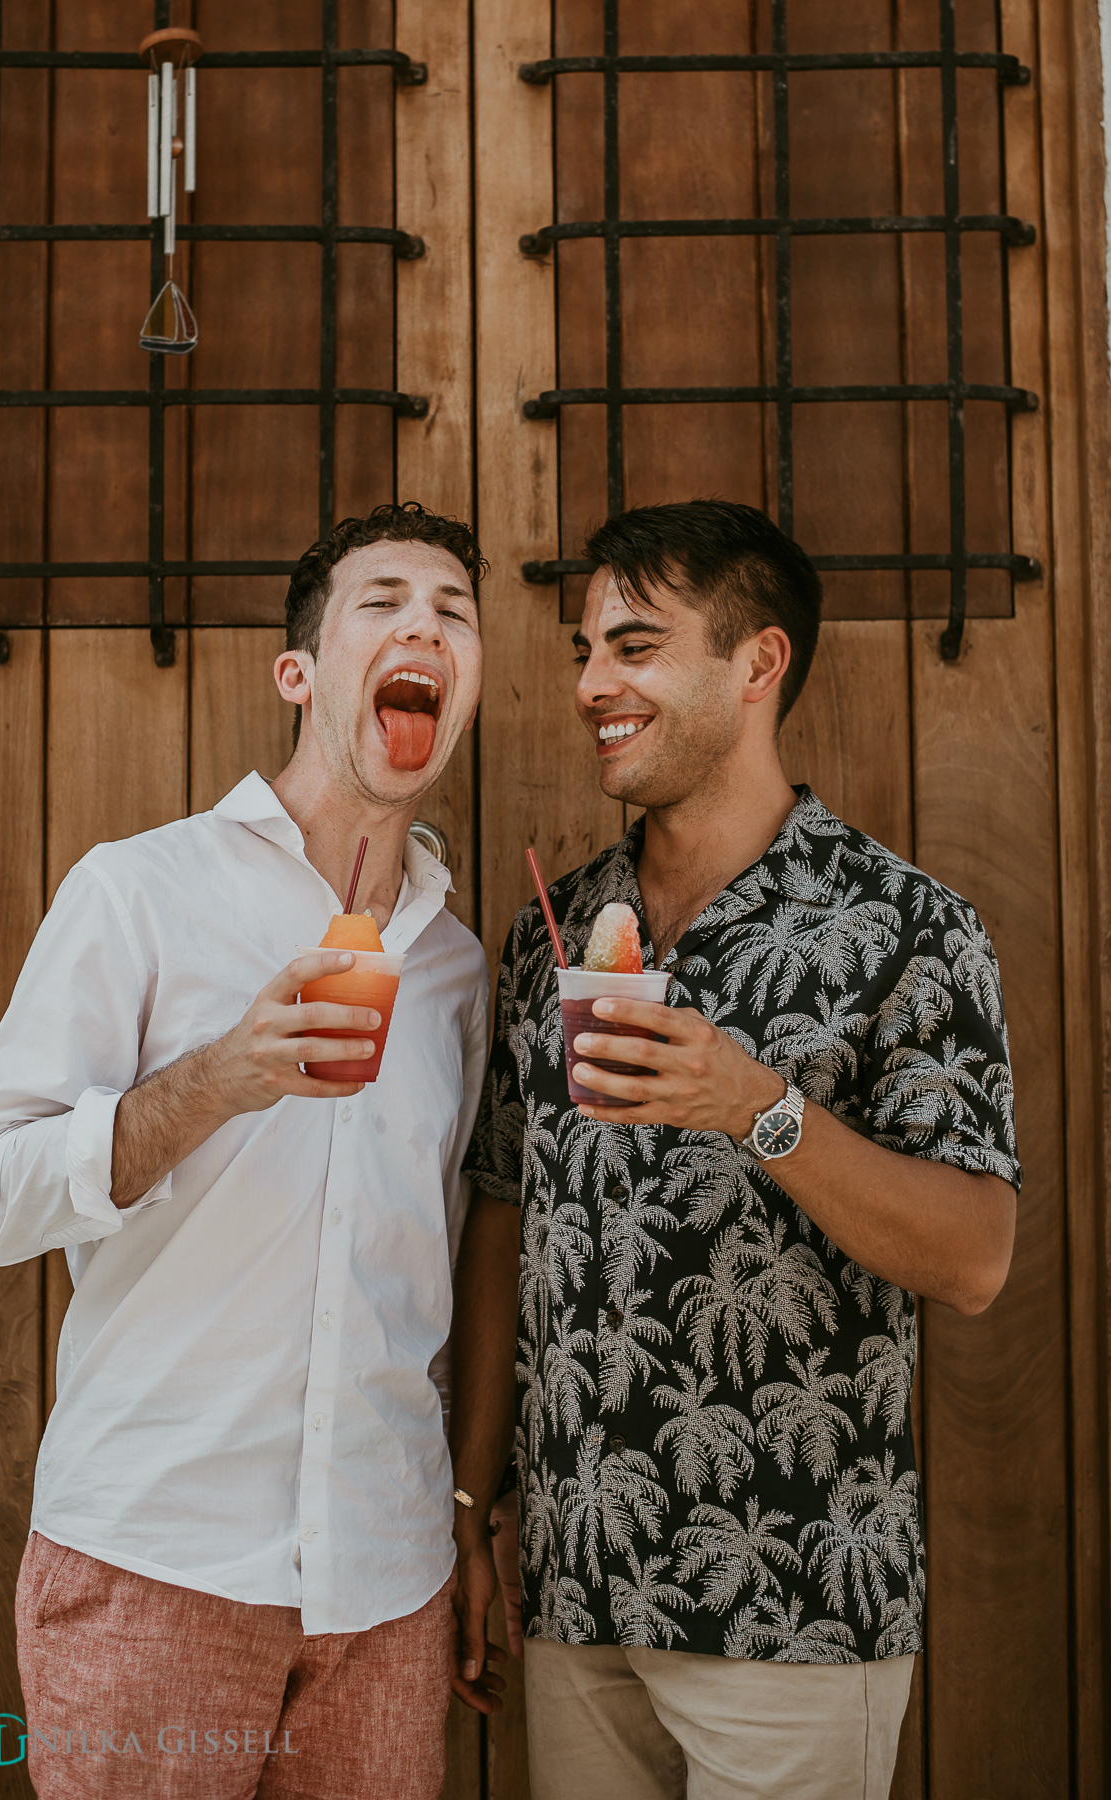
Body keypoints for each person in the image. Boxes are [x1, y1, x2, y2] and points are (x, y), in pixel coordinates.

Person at [448, 499, 1019, 1800]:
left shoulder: (908, 929)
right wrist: (473, 1509)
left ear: (756, 665)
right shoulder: (551, 934)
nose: (593, 683)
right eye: (586, 650)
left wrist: (759, 1107)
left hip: (795, 1607)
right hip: (573, 1592)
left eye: (635, 647)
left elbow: (973, 1257)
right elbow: (502, 1218)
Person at [0, 501, 489, 1800]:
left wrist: (462, 1522)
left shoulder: (459, 971)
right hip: (153, 1562)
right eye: (383, 601)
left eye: (453, 611)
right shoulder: (138, 892)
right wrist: (216, 1081)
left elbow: (439, 1269)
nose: (424, 621)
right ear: (297, 674)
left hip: (387, 1585)